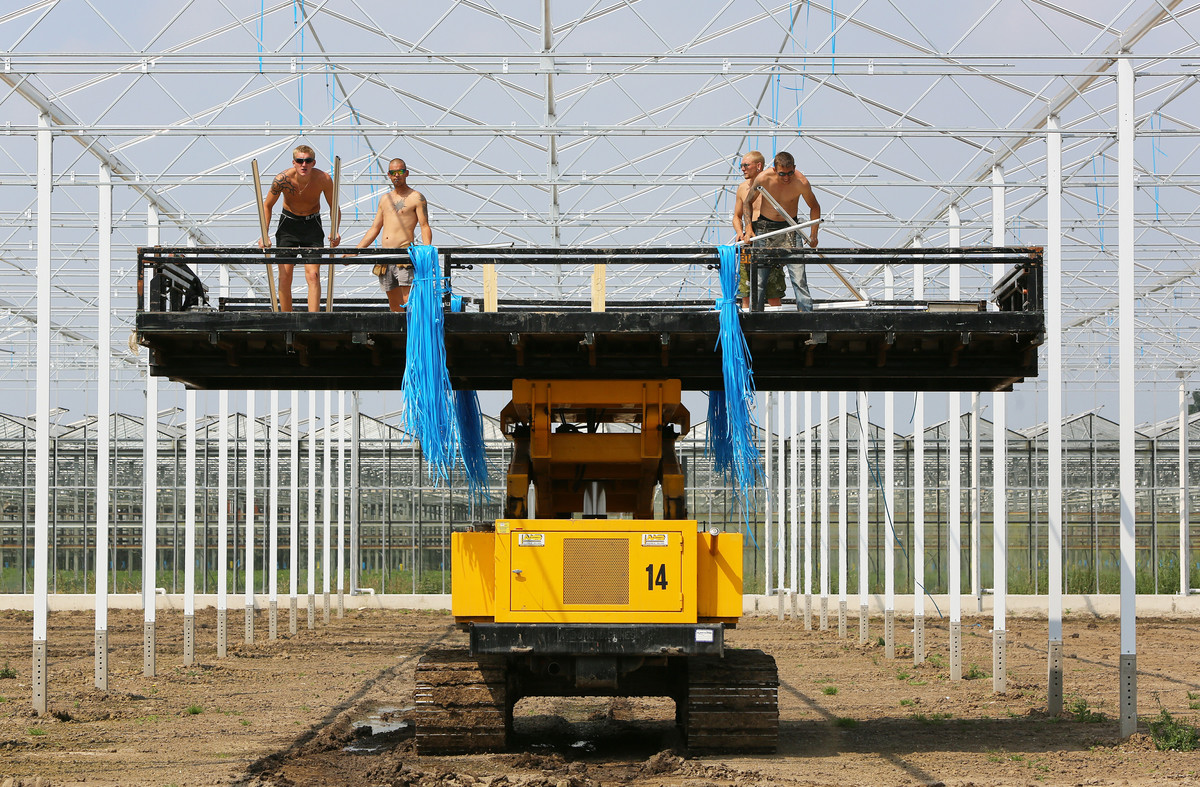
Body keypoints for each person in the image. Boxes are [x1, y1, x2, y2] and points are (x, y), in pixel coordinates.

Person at [259, 144, 341, 312]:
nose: (304, 164)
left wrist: (335, 231)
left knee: (313, 275)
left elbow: (334, 206)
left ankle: (313, 318)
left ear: (313, 162)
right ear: (294, 162)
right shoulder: (282, 179)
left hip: (312, 225)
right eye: (300, 161)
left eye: (308, 161)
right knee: (285, 275)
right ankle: (286, 317)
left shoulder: (323, 179)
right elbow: (266, 205)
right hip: (288, 225)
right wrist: (264, 233)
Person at [745, 151, 820, 311]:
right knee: (758, 280)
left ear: (794, 168)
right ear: (774, 169)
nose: (786, 178)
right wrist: (748, 228)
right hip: (765, 229)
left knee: (799, 278)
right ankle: (754, 321)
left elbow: (815, 206)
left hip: (790, 229)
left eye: (790, 173)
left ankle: (807, 320)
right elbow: (748, 202)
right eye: (782, 174)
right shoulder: (763, 178)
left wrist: (814, 234)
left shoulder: (801, 182)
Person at [354, 158, 432, 311]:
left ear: (407, 173)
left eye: (400, 172)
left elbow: (424, 226)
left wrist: (427, 250)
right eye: (393, 172)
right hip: (386, 256)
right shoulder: (385, 199)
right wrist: (355, 251)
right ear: (388, 175)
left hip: (404, 255)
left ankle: (413, 332)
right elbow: (374, 228)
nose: (397, 175)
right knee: (394, 303)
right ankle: (399, 333)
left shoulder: (416, 197)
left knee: (408, 300)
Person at [731, 151, 771, 308]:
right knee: (746, 287)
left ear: (758, 166)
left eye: (746, 165)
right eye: (741, 165)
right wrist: (740, 232)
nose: (742, 169)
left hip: (768, 234)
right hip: (748, 238)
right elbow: (736, 216)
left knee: (773, 286)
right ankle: (747, 323)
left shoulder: (771, 185)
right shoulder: (742, 188)